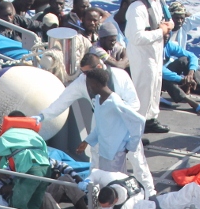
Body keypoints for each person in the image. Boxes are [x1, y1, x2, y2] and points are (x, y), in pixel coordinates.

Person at [38, 53, 155, 196]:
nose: (84, 77)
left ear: (98, 68)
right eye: (82, 72)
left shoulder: (118, 83)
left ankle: (149, 194)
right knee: (96, 162)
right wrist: (43, 116)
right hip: (101, 124)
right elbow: (62, 101)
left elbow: (135, 107)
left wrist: (126, 138)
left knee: (137, 161)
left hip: (122, 128)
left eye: (87, 73)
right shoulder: (86, 85)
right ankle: (95, 195)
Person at [76, 68, 146, 174]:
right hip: (104, 153)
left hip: (115, 155)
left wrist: (130, 146)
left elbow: (139, 121)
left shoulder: (115, 102)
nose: (88, 88)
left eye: (89, 84)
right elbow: (100, 127)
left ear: (95, 84)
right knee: (107, 185)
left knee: (115, 186)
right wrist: (86, 141)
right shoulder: (98, 100)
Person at [124, 0, 174, 134]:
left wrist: (169, 25)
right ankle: (135, 130)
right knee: (143, 90)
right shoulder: (137, 7)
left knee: (155, 87)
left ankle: (150, 119)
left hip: (156, 52)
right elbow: (136, 37)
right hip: (143, 55)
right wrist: (161, 32)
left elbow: (168, 18)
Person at [161, 32, 200, 113]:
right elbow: (160, 70)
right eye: (163, 34)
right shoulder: (150, 47)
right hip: (150, 78)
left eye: (168, 34)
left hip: (166, 74)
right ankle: (191, 102)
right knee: (163, 76)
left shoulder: (168, 45)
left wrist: (191, 73)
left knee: (184, 60)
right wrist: (182, 80)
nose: (166, 36)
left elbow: (192, 56)